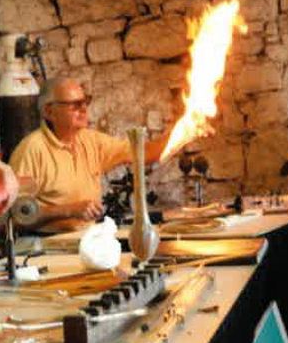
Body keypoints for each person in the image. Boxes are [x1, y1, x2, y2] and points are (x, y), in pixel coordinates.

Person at [9, 78, 170, 234]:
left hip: (85, 239)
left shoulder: (91, 140)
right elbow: (15, 218)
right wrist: (68, 210)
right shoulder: (31, 150)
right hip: (43, 245)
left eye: (85, 101)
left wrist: (187, 128)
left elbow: (143, 153)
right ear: (49, 111)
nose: (84, 109)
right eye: (75, 105)